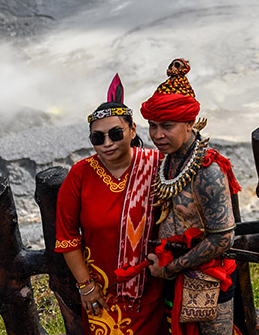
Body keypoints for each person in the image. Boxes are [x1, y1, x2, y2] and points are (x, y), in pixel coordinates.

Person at [55, 74, 164, 334]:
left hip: (154, 285)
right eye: (98, 138)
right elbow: (67, 237)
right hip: (101, 292)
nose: (107, 143)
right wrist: (86, 287)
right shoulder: (80, 175)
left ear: (133, 130)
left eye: (115, 134)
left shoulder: (156, 165)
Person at [140, 58, 241, 335]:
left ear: (190, 123)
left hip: (206, 277)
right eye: (152, 126)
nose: (157, 135)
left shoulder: (208, 171)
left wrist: (171, 267)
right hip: (170, 273)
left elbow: (222, 238)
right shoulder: (167, 160)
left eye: (167, 126)